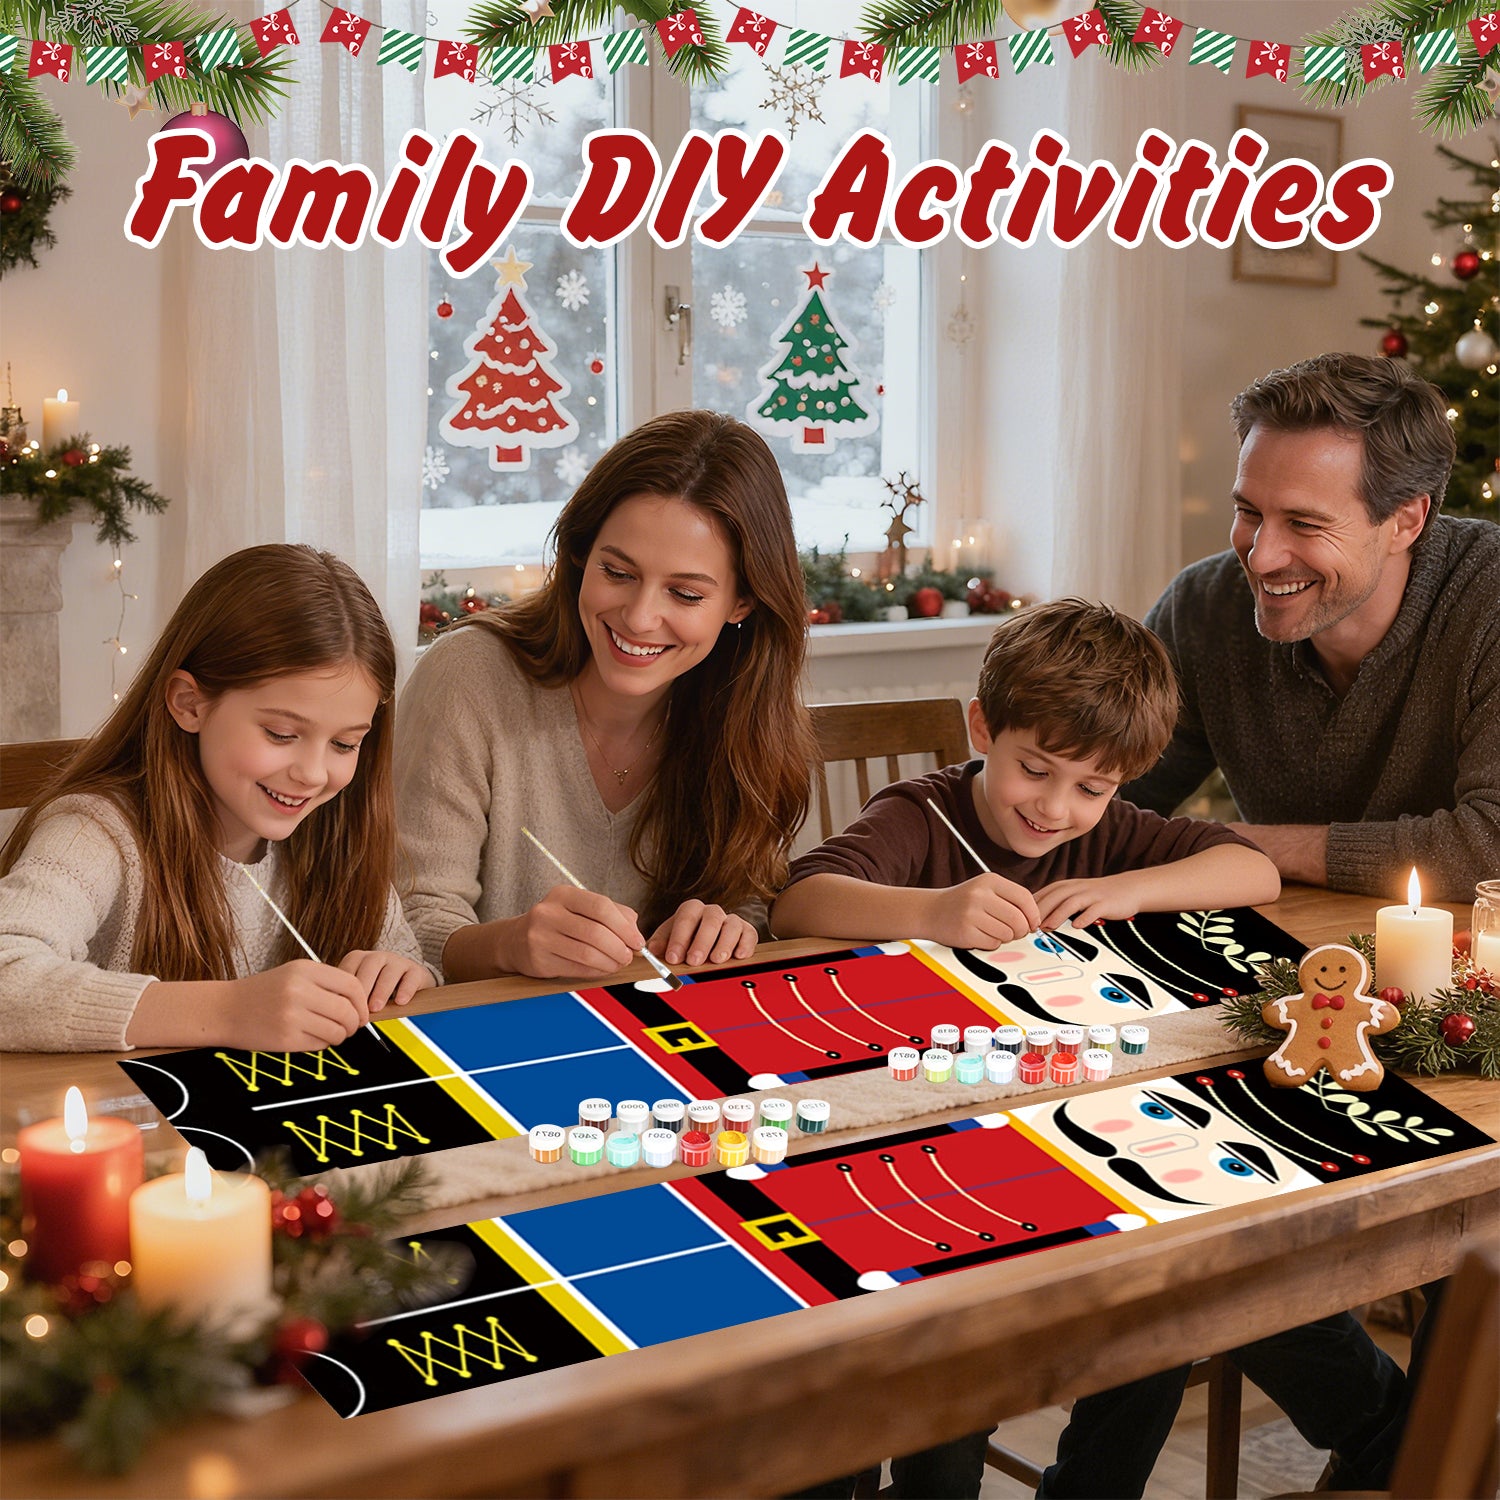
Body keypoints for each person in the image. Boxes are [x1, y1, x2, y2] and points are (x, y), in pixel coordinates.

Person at [771, 598, 1280, 1500]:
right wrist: (931, 912)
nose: (1054, 808)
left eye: (1092, 789)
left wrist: (1126, 889)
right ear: (982, 728)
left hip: (1068, 1142)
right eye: (1034, 771)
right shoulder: (921, 817)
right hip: (919, 1157)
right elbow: (801, 899)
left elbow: (1253, 870)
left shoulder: (1109, 837)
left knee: (1160, 1305)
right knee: (956, 1378)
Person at [395, 409, 816, 983]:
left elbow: (747, 901)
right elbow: (406, 926)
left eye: (686, 594)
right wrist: (510, 944)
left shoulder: (746, 707)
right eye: (617, 573)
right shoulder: (468, 677)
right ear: (579, 555)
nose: (640, 617)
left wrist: (728, 925)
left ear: (742, 604)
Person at [0, 544, 434, 1053]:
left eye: (344, 744)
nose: (313, 774)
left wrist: (407, 976)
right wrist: (228, 1011)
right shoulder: (93, 833)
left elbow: (409, 964)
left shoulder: (338, 833)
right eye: (279, 733)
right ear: (190, 704)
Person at [1123, 352, 1499, 902]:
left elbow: (1491, 845)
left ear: (1405, 521)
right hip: (1279, 956)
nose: (1262, 556)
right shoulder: (1201, 609)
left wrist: (1236, 845)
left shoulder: (1488, 600)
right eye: (1249, 511)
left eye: (1304, 523)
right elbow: (1101, 789)